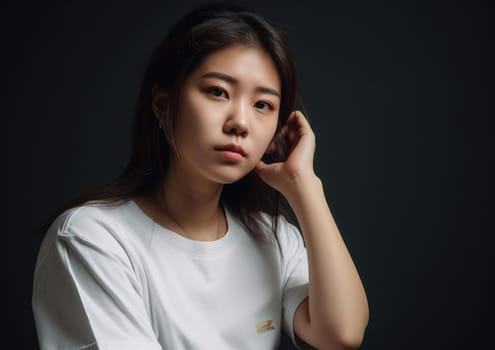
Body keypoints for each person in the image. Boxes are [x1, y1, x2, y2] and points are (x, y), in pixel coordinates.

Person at [32, 3, 369, 349]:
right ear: (163, 104)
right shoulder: (92, 238)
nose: (240, 122)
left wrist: (304, 185)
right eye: (218, 92)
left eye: (263, 104)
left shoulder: (273, 239)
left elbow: (341, 334)